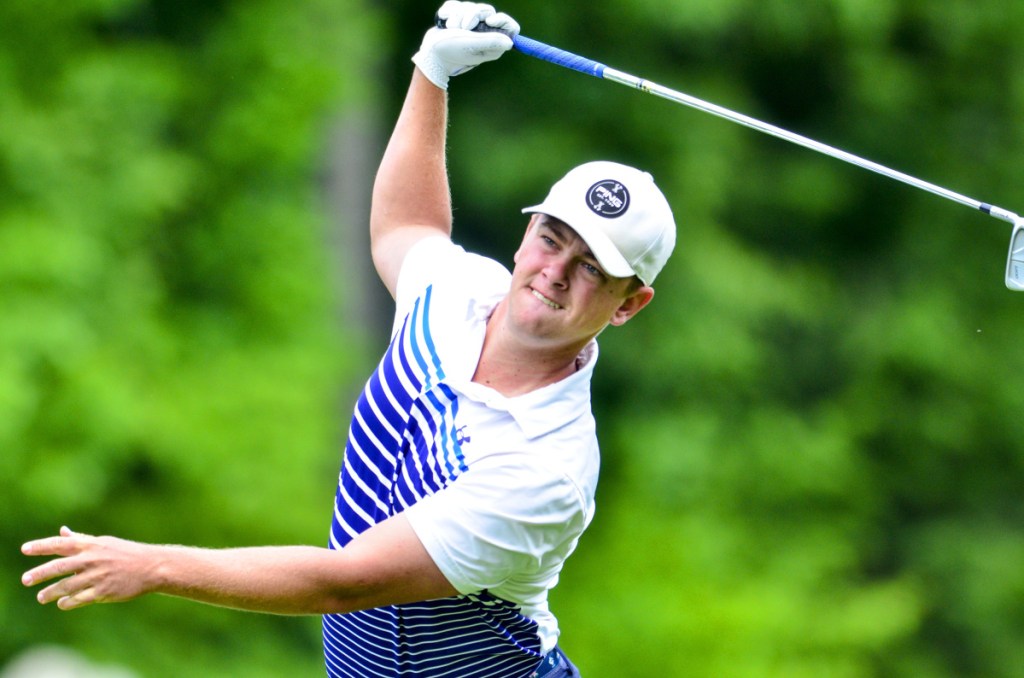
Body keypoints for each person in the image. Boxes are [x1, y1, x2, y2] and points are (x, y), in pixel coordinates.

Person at [20, 3, 676, 677]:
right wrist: (433, 71)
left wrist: (154, 565)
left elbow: (344, 583)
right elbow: (404, 227)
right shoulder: (459, 293)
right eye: (551, 238)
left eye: (591, 268)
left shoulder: (549, 467)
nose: (555, 273)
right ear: (527, 231)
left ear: (631, 305)